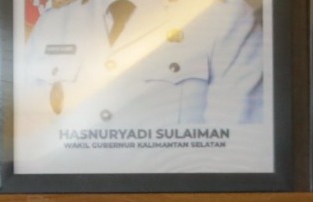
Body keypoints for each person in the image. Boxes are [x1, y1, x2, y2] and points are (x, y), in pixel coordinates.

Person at [19, 0, 265, 131]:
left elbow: (234, 146)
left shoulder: (224, 18)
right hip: (71, 197)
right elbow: (29, 134)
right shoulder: (54, 23)